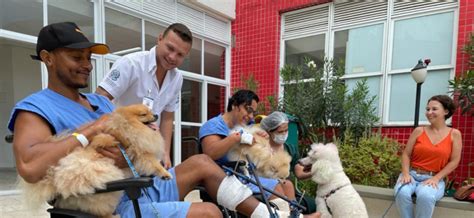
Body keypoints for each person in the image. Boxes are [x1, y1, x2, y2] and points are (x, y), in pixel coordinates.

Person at [9, 22, 320, 218]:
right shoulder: (35, 107)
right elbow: (30, 167)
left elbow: (160, 123)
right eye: (76, 57)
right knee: (209, 211)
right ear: (48, 57)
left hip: (141, 180)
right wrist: (94, 130)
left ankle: (275, 217)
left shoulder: (98, 102)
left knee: (200, 163)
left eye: (89, 58)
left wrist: (149, 148)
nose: (87, 65)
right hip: (114, 197)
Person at [96, 23, 192, 169]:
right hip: (118, 145)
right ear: (160, 39)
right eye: (170, 48)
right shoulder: (131, 64)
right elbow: (99, 99)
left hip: (147, 149)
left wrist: (165, 153)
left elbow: (167, 118)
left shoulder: (177, 78)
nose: (173, 57)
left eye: (180, 55)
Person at [199, 90, 300, 213]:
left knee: (287, 185)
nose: (251, 116)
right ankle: (285, 214)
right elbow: (210, 153)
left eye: (253, 112)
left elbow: (263, 133)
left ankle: (293, 213)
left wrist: (263, 135)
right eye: (249, 110)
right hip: (224, 177)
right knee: (276, 189)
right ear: (234, 105)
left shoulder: (247, 124)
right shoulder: (213, 125)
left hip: (246, 174)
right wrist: (236, 138)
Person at [394, 95, 462, 218]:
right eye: (427, 109)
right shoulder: (419, 131)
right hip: (412, 175)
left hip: (433, 178)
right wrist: (405, 173)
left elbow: (454, 161)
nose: (429, 112)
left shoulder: (454, 134)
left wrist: (436, 178)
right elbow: (406, 154)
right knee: (402, 193)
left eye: (434, 109)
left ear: (446, 111)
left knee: (426, 196)